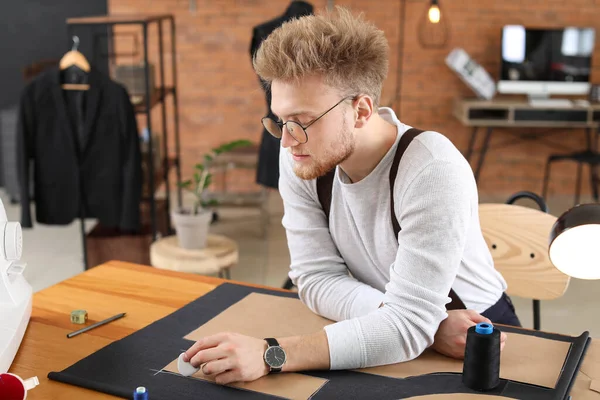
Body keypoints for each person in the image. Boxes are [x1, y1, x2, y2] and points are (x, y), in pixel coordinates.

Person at [183, 6, 518, 385]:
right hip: (400, 327)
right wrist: (411, 320)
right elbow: (314, 279)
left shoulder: (431, 169)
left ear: (360, 110)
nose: (288, 139)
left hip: (478, 336)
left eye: (304, 121)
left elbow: (407, 328)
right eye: (281, 121)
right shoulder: (300, 153)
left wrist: (270, 353)